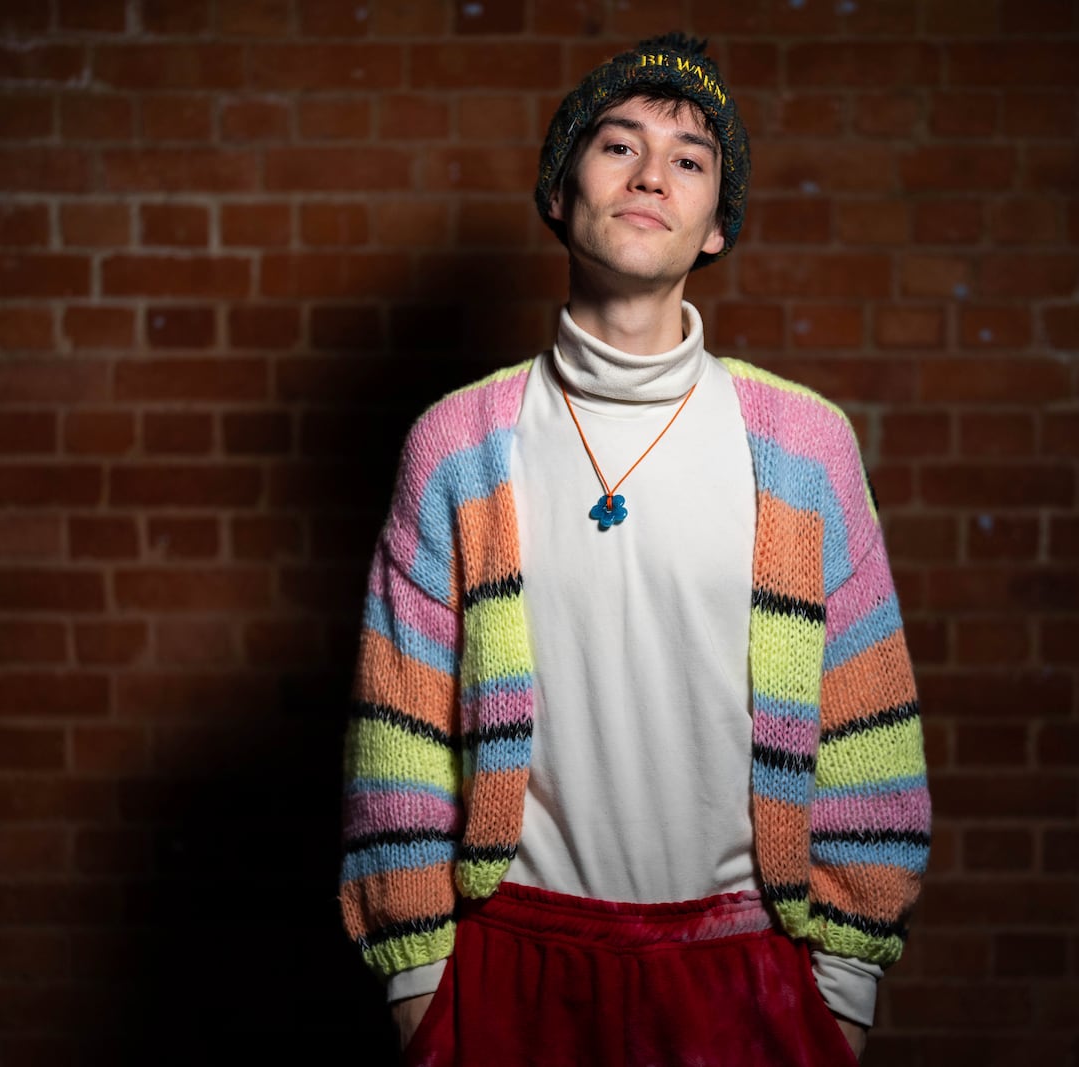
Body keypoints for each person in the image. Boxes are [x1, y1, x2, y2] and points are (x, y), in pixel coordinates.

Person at [339, 32, 930, 1067]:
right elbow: (401, 728)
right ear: (562, 193)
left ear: (714, 227)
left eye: (690, 160)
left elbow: (866, 722)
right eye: (618, 145)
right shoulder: (457, 447)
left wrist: (840, 994)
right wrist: (420, 988)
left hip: (751, 967)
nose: (653, 173)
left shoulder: (802, 447)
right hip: (513, 962)